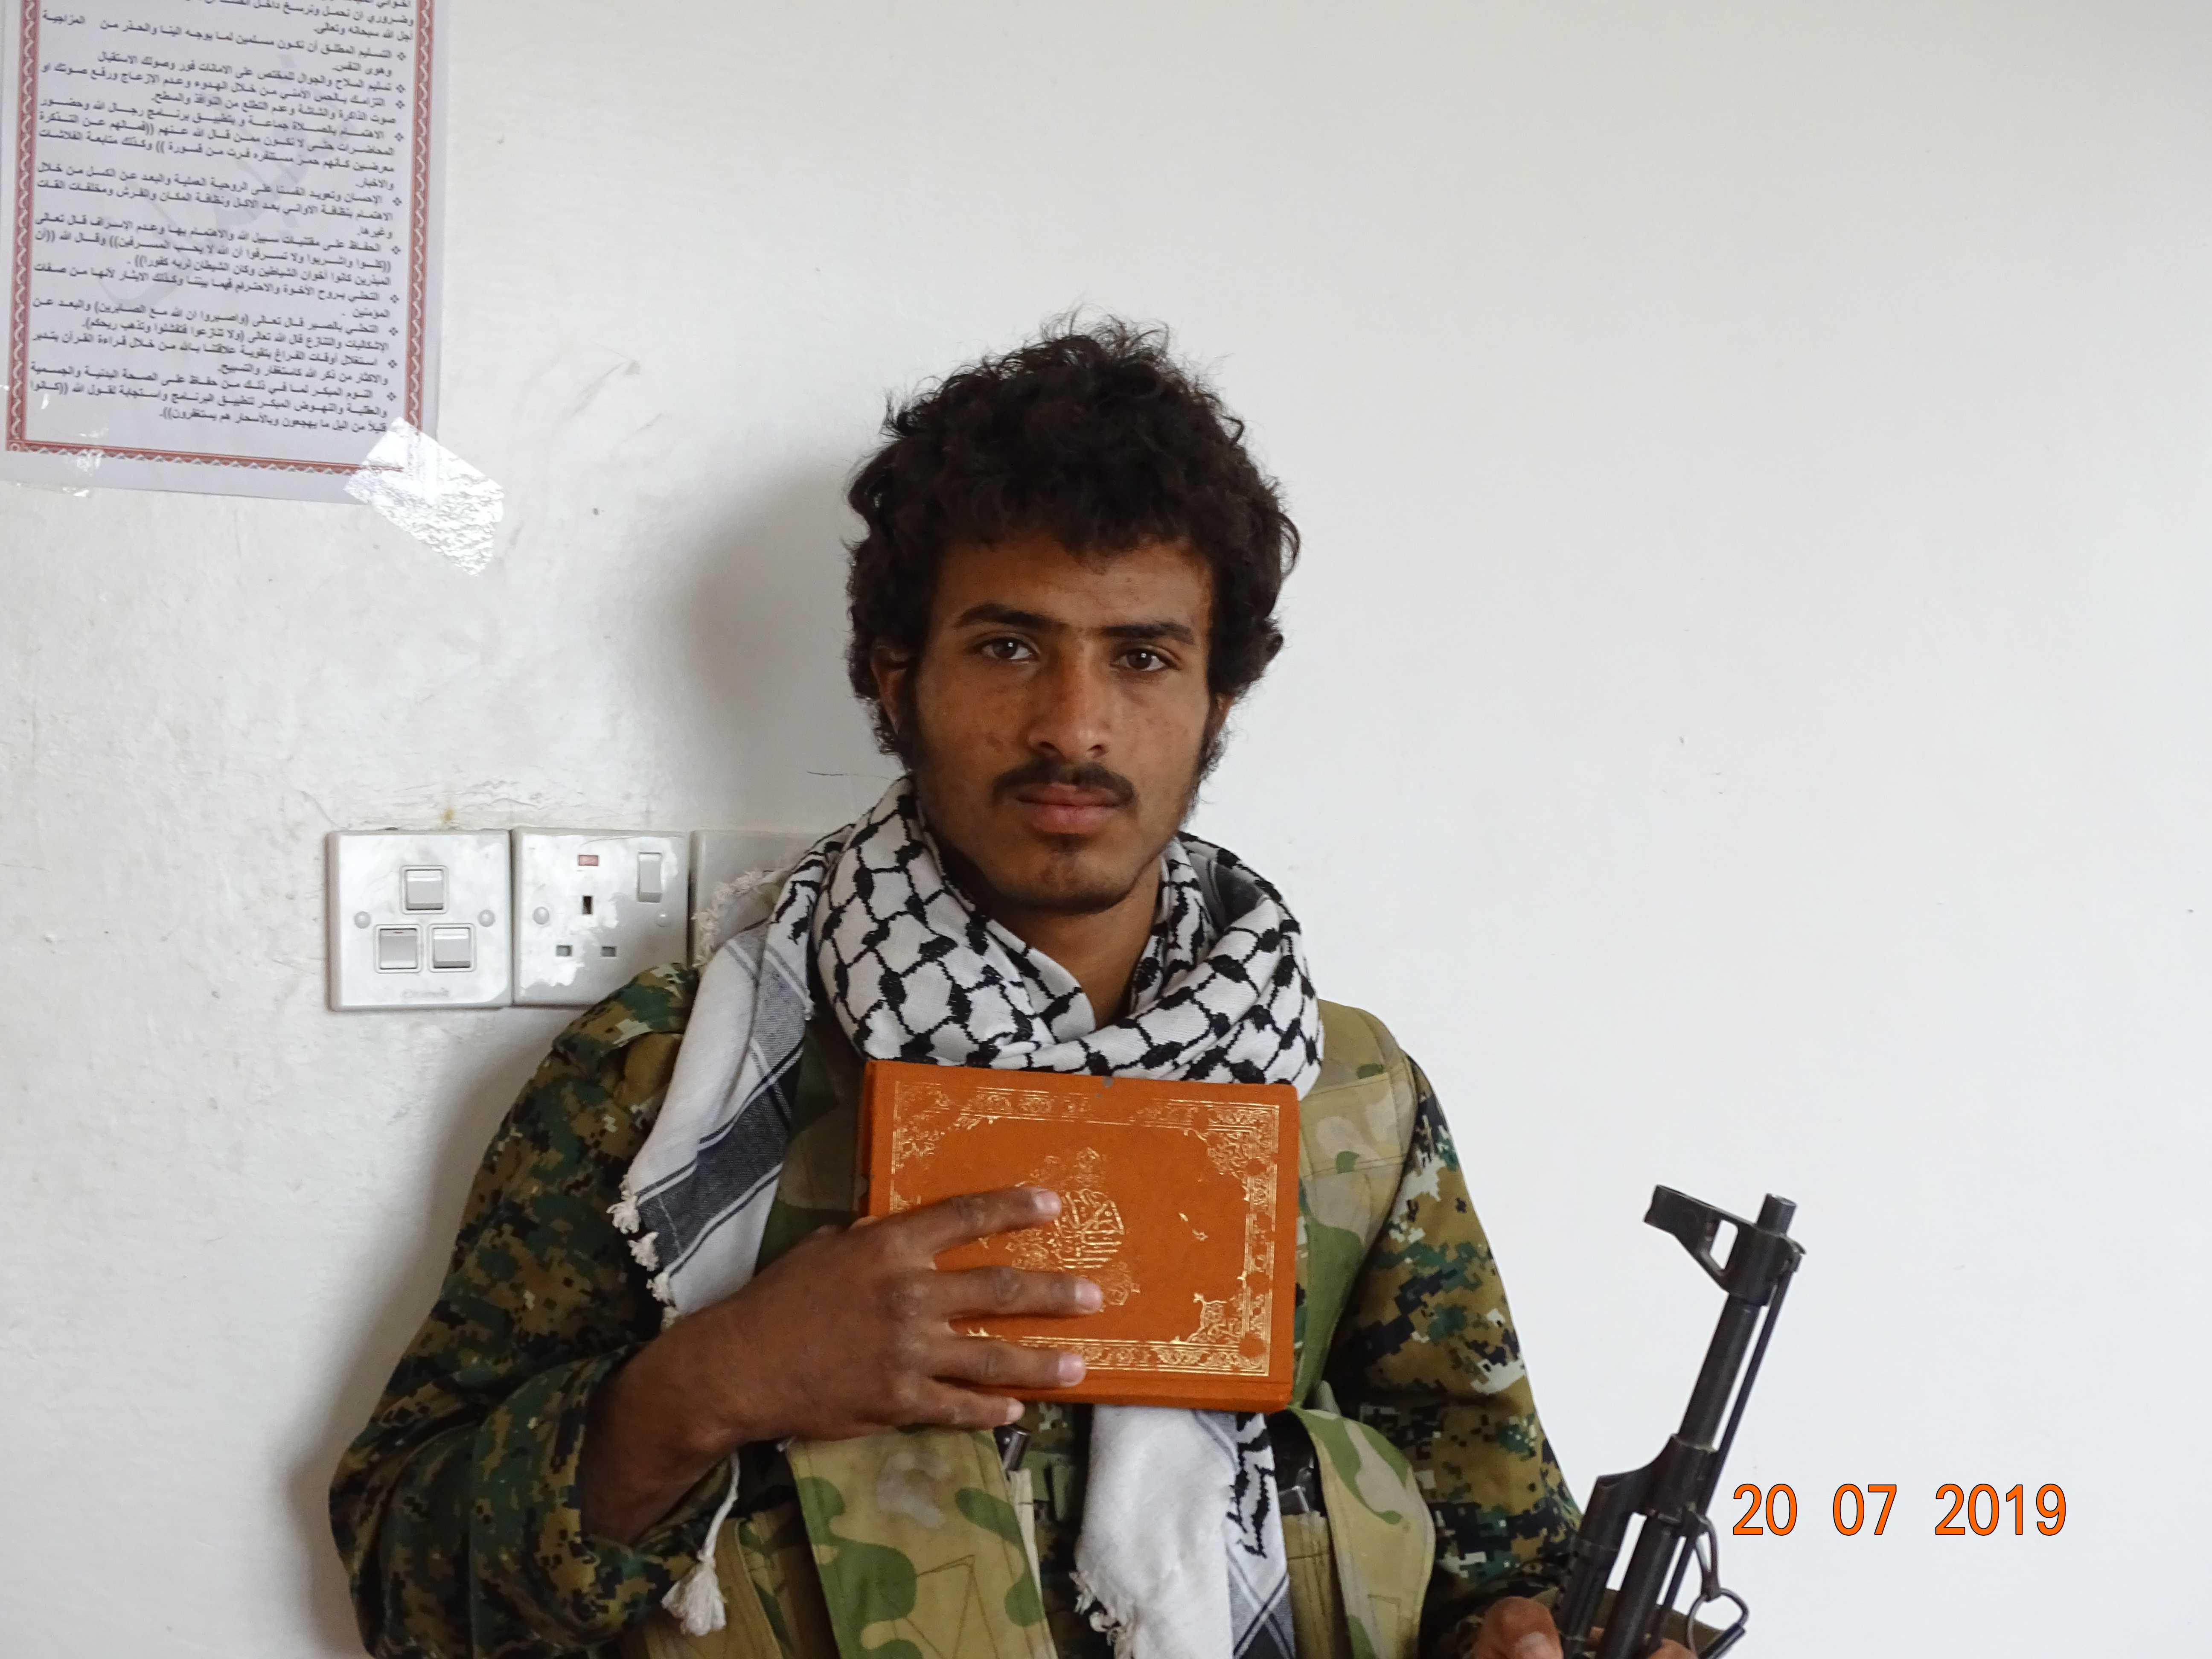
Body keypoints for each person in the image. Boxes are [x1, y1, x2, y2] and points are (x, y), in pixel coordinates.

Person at [331, 321, 1688, 1659]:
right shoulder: (672, 1077)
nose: (1074, 726)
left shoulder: (1347, 1104)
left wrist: (1527, 1639)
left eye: (1143, 658)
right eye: (1009, 647)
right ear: (897, 679)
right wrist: (715, 1382)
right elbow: (408, 1583)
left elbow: (1506, 1563)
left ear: (1217, 703)